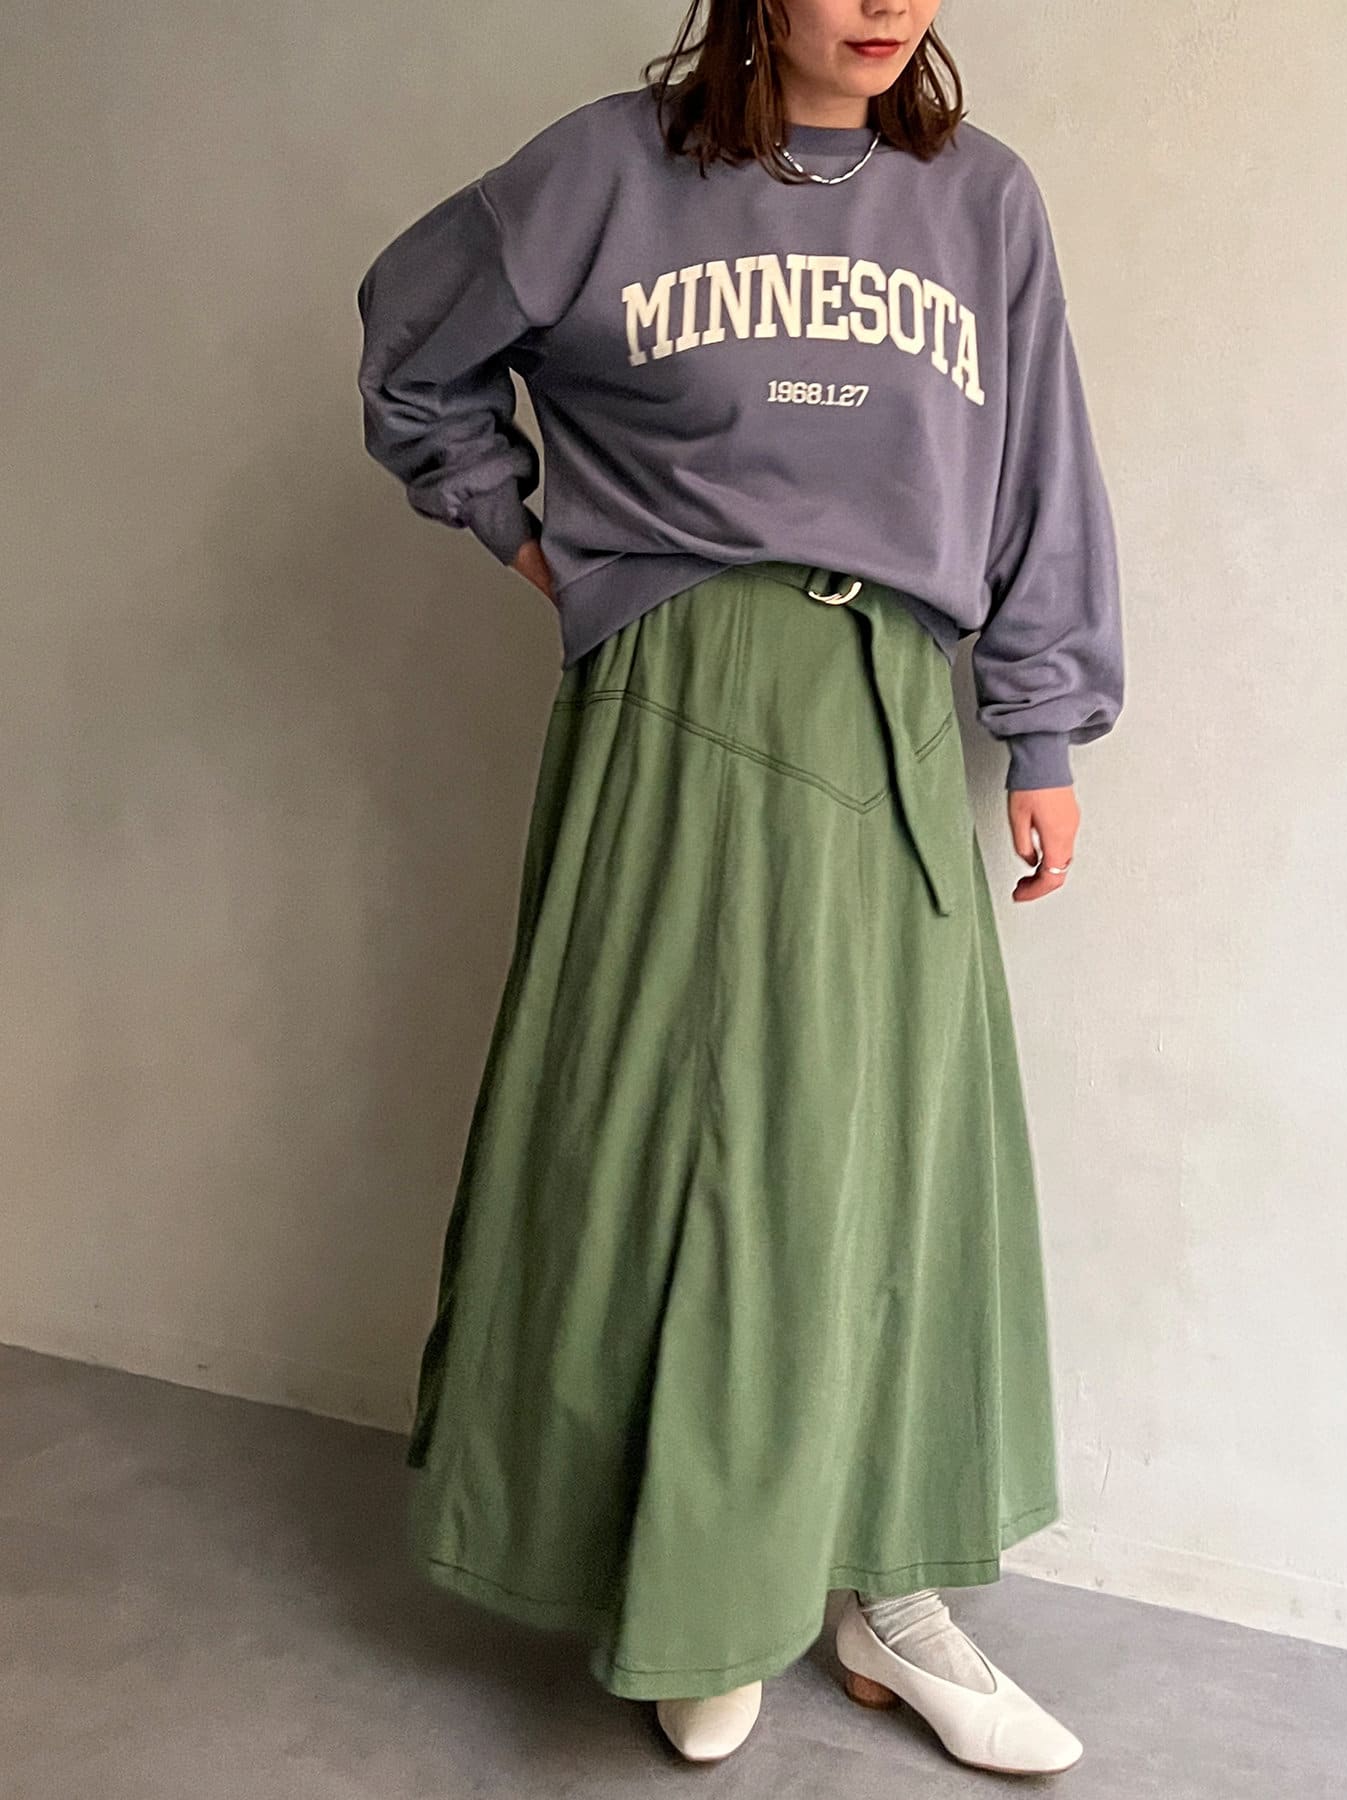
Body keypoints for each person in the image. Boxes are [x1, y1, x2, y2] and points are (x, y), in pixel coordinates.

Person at [354, 0, 1123, 1774]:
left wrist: (1045, 730)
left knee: (900, 1156)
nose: (885, 5)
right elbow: (412, 349)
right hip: (684, 692)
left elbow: (1040, 475)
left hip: (893, 706)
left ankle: (889, 1596)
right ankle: (698, 1590)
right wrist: (545, 548)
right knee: (686, 1148)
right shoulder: (608, 173)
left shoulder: (982, 202)